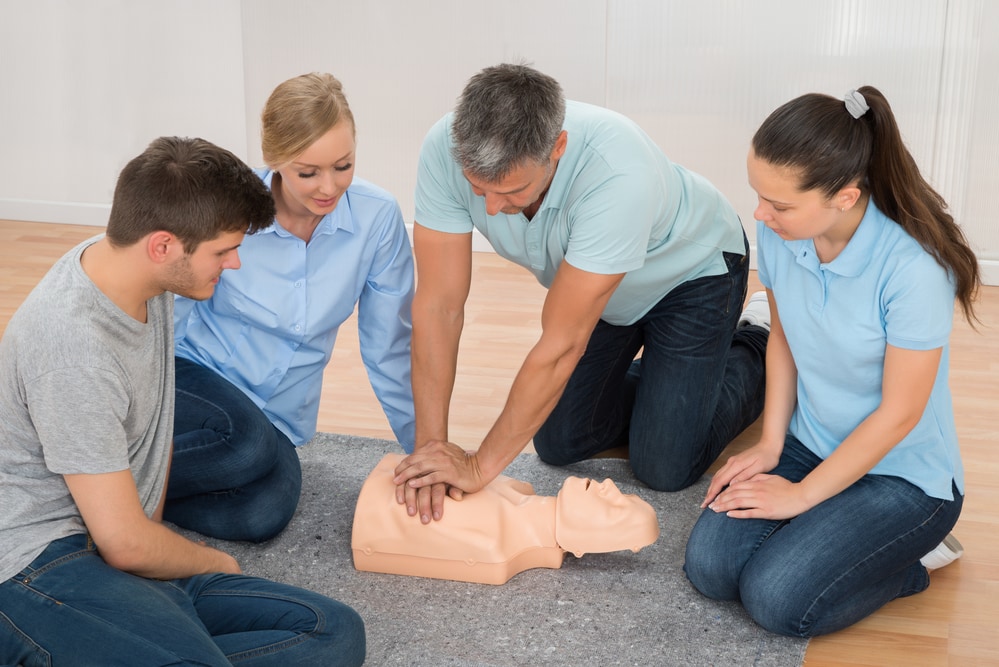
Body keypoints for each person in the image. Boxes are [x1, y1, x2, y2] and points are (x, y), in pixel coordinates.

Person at [0, 137, 365, 665]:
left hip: (112, 558)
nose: (235, 263)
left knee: (332, 631)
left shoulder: (139, 278)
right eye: (223, 250)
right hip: (36, 566)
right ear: (163, 246)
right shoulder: (72, 346)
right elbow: (124, 541)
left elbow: (143, 485)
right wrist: (215, 562)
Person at [392, 63, 769, 524]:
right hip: (606, 296)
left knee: (665, 466)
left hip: (693, 276)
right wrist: (432, 450)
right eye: (477, 189)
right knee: (559, 442)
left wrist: (477, 466)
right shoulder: (442, 148)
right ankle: (671, 384)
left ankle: (756, 340)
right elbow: (438, 306)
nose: (491, 208)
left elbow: (561, 344)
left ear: (558, 149)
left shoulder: (617, 173)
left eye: (511, 190)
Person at [683, 87, 980, 637]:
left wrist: (799, 495)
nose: (760, 214)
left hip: (904, 475)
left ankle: (906, 568)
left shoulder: (913, 269)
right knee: (711, 569)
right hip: (811, 442)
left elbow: (899, 415)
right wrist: (771, 443)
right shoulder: (782, 235)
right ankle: (834, 530)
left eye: (780, 204)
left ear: (844, 196)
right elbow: (783, 339)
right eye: (758, 195)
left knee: (777, 601)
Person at [168, 72, 415, 542]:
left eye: (343, 165)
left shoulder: (377, 218)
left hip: (278, 415)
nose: (329, 187)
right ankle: (94, 484)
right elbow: (168, 307)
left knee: (263, 515)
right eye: (308, 172)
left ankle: (132, 495)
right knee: (244, 450)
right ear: (275, 159)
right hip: (197, 378)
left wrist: (423, 448)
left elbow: (390, 347)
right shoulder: (227, 211)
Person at [353, 454, 659, 585]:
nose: (608, 485)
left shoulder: (495, 546)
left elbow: (404, 525)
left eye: (616, 506)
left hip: (376, 508)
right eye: (622, 493)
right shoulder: (518, 488)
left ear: (587, 540)